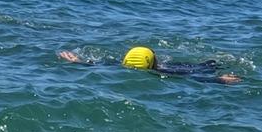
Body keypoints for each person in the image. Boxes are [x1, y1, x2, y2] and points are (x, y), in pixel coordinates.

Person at [57, 47, 239, 84]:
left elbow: (94, 65)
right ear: (154, 63)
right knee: (205, 65)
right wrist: (220, 80)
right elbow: (195, 77)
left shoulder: (115, 66)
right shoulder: (165, 71)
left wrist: (77, 61)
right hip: (180, 70)